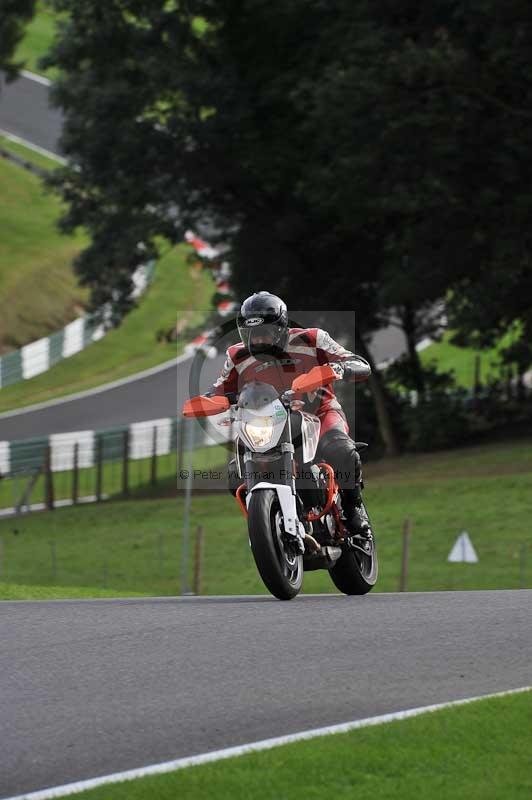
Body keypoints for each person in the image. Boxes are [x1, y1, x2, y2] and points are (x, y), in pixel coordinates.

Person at [211, 291, 373, 539]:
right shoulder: (236, 356)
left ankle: (353, 509)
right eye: (251, 334)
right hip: (269, 422)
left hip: (320, 414)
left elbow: (358, 362)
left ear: (281, 327)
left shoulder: (312, 339)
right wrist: (207, 401)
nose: (259, 340)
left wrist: (339, 368)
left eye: (265, 332)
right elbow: (219, 389)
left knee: (339, 450)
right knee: (236, 473)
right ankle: (268, 525)